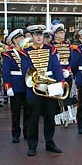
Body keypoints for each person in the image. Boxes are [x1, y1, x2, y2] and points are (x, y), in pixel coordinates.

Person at [20, 24, 65, 155]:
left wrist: (61, 81)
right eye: (36, 35)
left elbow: (56, 67)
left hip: (50, 89)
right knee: (33, 118)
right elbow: (26, 71)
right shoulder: (25, 52)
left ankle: (49, 142)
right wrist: (37, 83)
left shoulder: (51, 50)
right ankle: (32, 146)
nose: (39, 37)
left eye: (41, 35)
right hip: (34, 89)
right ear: (32, 36)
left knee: (50, 116)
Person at [2, 28, 29, 143]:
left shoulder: (28, 52)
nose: (21, 39)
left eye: (22, 37)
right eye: (18, 38)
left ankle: (27, 132)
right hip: (15, 85)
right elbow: (5, 72)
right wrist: (8, 86)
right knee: (16, 111)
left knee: (28, 110)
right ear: (13, 41)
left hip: (28, 84)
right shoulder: (8, 54)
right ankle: (15, 133)